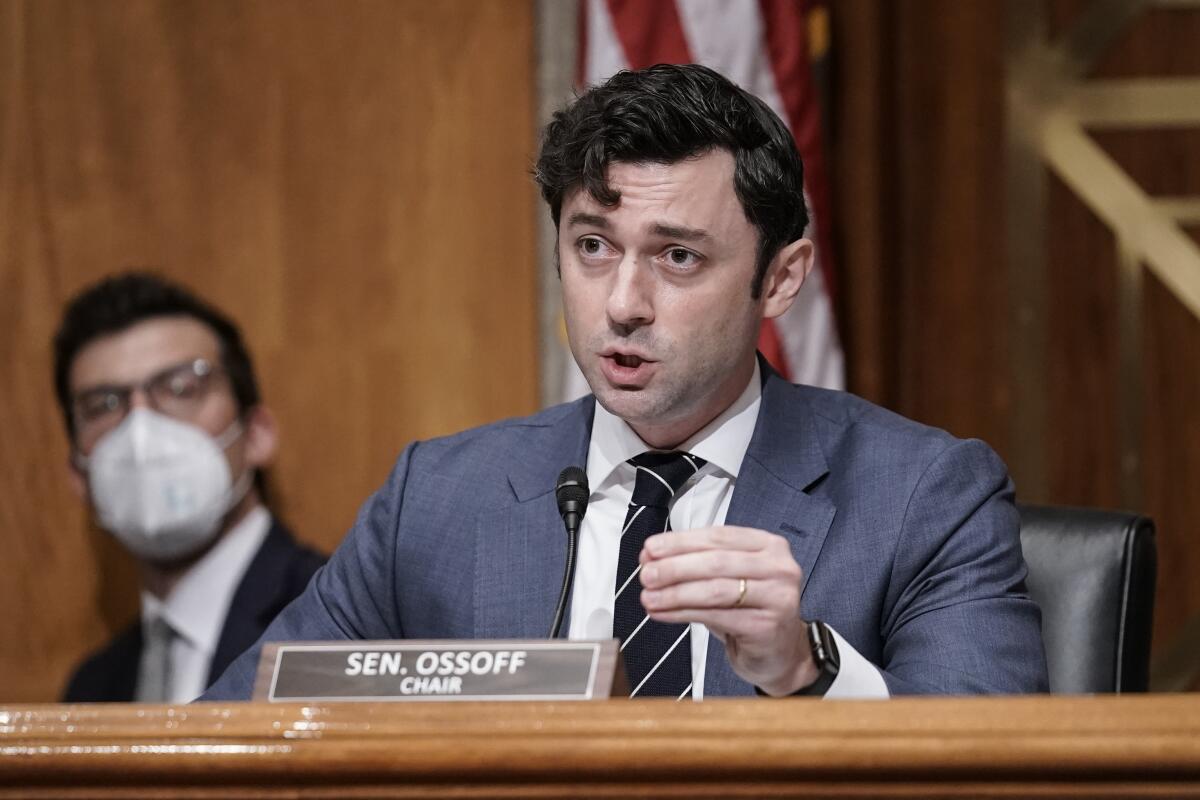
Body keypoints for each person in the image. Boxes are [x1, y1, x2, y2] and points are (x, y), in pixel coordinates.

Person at [203, 64, 1047, 701]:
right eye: (592, 247)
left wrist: (806, 667)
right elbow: (234, 735)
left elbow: (1000, 774)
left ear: (781, 279)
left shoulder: (925, 497)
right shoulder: (435, 501)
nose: (622, 304)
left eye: (678, 257)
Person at [56, 272, 324, 703]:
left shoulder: (338, 623)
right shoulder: (92, 687)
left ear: (256, 434)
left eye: (181, 387)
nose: (141, 428)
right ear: (78, 474)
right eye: (103, 404)